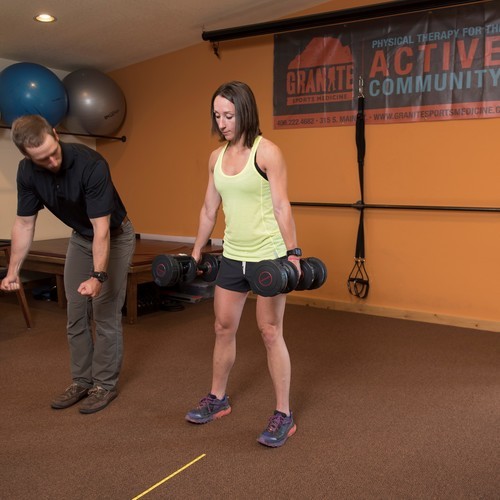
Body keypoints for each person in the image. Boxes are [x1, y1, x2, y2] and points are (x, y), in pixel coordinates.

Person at [185, 81, 301, 448]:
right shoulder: (215, 158)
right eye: (217, 115)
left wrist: (293, 252)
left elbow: (281, 205)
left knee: (270, 331)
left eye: (229, 115)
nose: (222, 123)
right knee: (222, 327)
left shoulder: (268, 153)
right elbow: (209, 209)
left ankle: (283, 414)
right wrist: (196, 250)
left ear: (245, 112)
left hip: (268, 255)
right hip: (233, 256)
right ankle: (217, 398)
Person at [0, 115, 135, 414]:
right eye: (42, 159)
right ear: (27, 157)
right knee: (75, 314)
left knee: (104, 311)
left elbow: (102, 229)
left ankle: (104, 385)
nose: (52, 162)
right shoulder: (27, 173)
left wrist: (98, 276)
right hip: (81, 237)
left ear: (55, 134)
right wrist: (13, 271)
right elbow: (24, 223)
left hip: (114, 236)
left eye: (53, 152)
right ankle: (82, 381)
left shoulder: (91, 164)